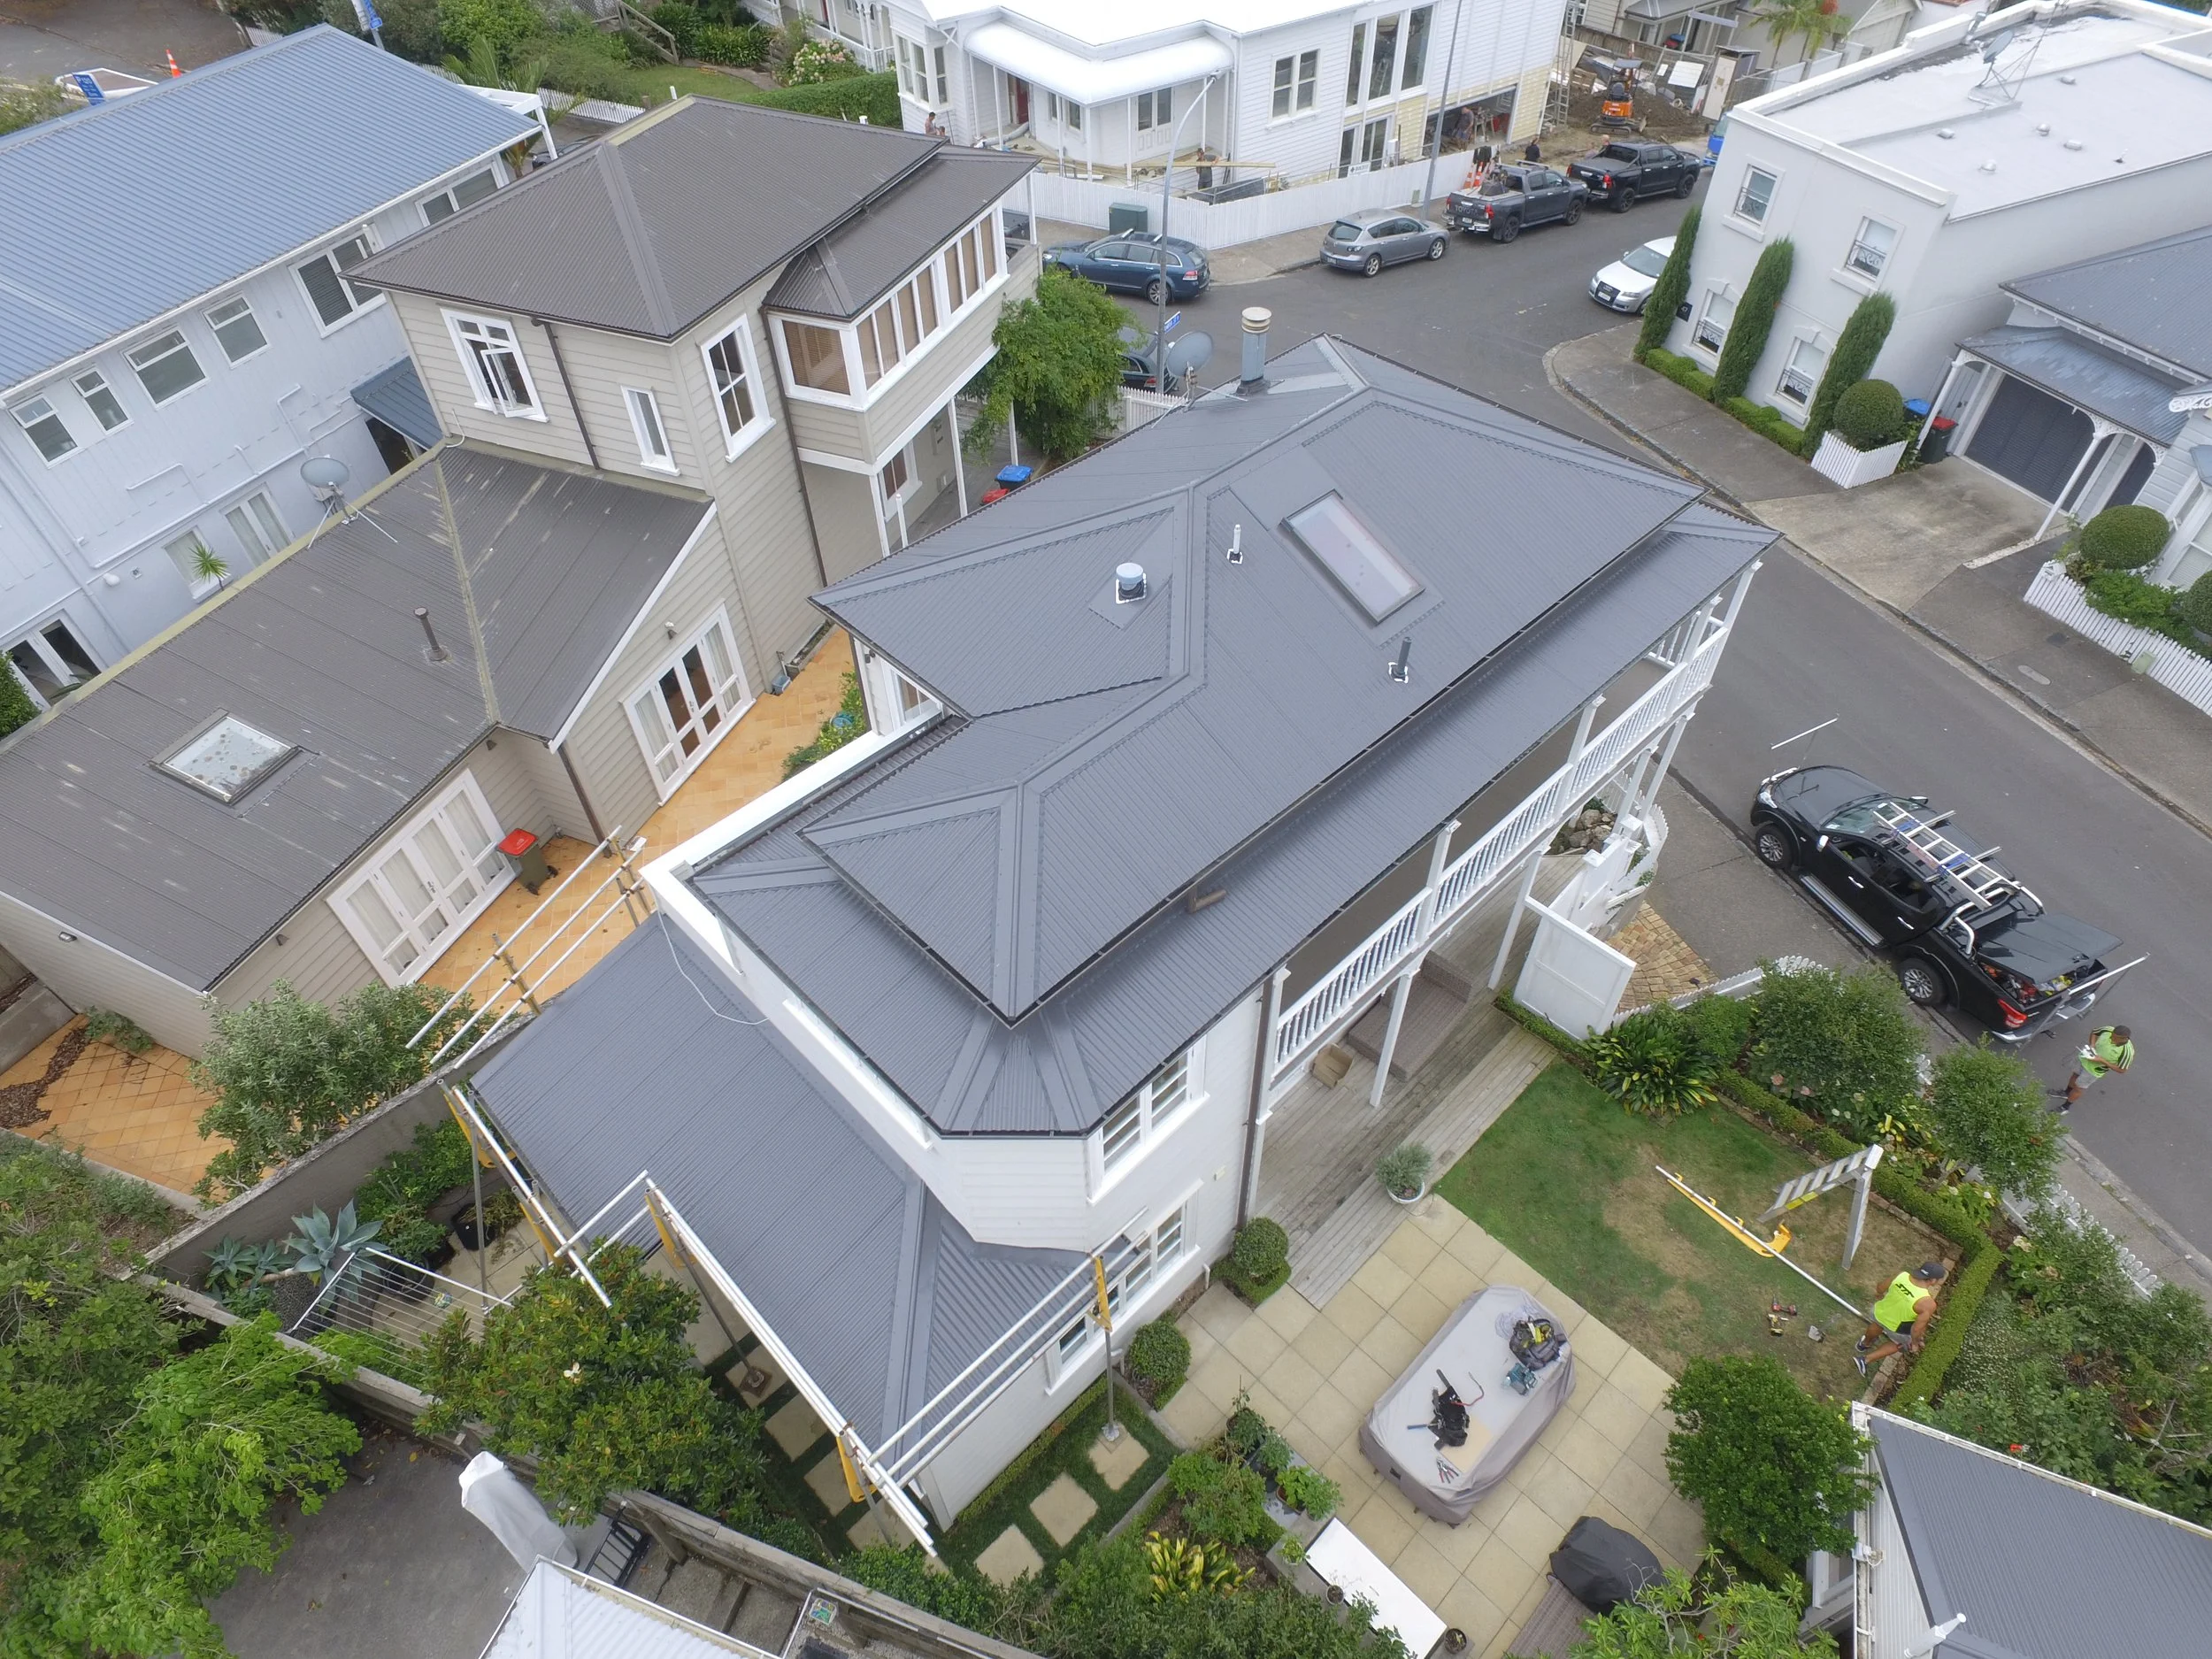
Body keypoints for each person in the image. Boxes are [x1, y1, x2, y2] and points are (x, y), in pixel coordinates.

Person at [1855, 1260, 1947, 1377]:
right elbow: (1916, 1329)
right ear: (1933, 1280)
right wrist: (1914, 1343)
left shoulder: (1901, 1275)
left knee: (1877, 1324)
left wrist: (1879, 1295)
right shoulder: (1927, 1303)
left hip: (1879, 1312)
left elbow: (1880, 1288)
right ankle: (1864, 1360)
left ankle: (1864, 1344)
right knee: (1901, 1344)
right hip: (1896, 1328)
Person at [2061, 1024, 2132, 1110]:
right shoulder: (2108, 1029)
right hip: (2085, 1059)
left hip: (2093, 1071)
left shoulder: (2127, 1052)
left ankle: (2065, 1107)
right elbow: (2094, 1032)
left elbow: (2122, 1070)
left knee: (2078, 1087)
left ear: (2124, 1038)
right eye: (2112, 1035)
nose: (2111, 1038)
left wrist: (2101, 1060)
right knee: (2075, 1075)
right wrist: (2092, 1044)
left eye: (2115, 1038)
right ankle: (2066, 1093)